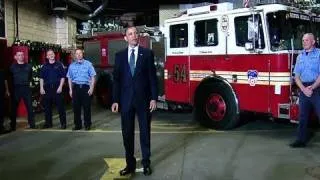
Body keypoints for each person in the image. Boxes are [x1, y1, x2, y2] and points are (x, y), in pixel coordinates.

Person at [111, 26, 157, 176]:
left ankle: (146, 163)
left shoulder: (148, 54)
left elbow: (152, 78)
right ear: (126, 38)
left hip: (143, 100)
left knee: (145, 132)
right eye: (130, 34)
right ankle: (130, 165)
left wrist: (154, 98)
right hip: (125, 101)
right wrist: (115, 100)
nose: (134, 36)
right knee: (127, 134)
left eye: (135, 33)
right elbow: (116, 80)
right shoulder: (119, 56)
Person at [290, 33, 320, 148]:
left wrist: (312, 87)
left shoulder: (319, 54)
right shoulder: (300, 56)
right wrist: (303, 89)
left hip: (316, 88)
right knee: (302, 116)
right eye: (303, 40)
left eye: (307, 40)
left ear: (313, 42)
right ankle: (300, 140)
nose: (304, 42)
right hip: (303, 88)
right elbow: (296, 76)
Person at [66, 48, 96, 131]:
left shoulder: (88, 64)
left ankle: (87, 124)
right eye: (77, 53)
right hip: (76, 88)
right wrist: (70, 90)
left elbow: (93, 77)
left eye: (80, 53)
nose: (79, 55)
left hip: (85, 88)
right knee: (76, 108)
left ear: (82, 54)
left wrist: (91, 88)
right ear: (75, 55)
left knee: (86, 108)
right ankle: (78, 125)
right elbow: (69, 78)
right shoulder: (72, 66)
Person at [39, 49, 66, 129]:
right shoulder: (44, 66)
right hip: (47, 89)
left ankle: (63, 123)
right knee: (47, 108)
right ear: (47, 56)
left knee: (60, 107)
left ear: (54, 55)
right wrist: (41, 88)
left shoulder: (59, 65)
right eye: (49, 54)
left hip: (57, 88)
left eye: (52, 53)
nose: (51, 55)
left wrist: (60, 87)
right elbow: (41, 78)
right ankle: (48, 123)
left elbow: (63, 77)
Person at [9, 51, 35, 130]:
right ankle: (12, 126)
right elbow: (10, 79)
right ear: (15, 57)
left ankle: (32, 125)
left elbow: (30, 77)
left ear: (24, 56)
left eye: (22, 55)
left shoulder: (28, 66)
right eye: (19, 55)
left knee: (30, 107)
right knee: (14, 108)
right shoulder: (12, 67)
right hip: (16, 89)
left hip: (26, 88)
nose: (21, 56)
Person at [0, 69, 9, 133]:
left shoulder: (2, 71)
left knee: (1, 110)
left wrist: (7, 90)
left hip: (1, 93)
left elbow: (5, 81)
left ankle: (1, 127)